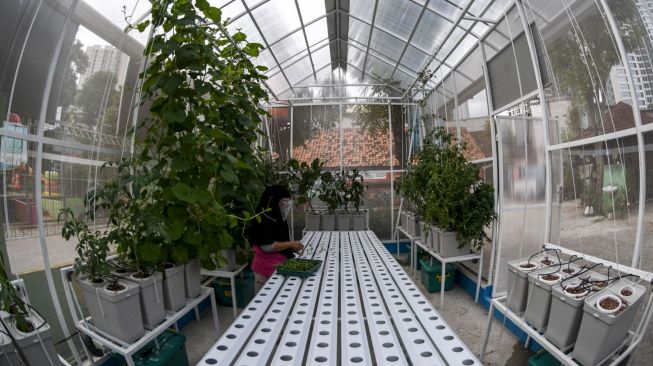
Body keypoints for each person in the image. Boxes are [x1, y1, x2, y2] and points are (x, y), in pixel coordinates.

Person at [248, 185, 304, 292]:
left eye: (287, 203)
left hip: (278, 267)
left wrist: (292, 248)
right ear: (273, 201)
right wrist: (290, 244)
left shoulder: (277, 217)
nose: (285, 206)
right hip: (265, 271)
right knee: (264, 304)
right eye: (283, 202)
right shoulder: (263, 220)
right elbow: (267, 246)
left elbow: (282, 240)